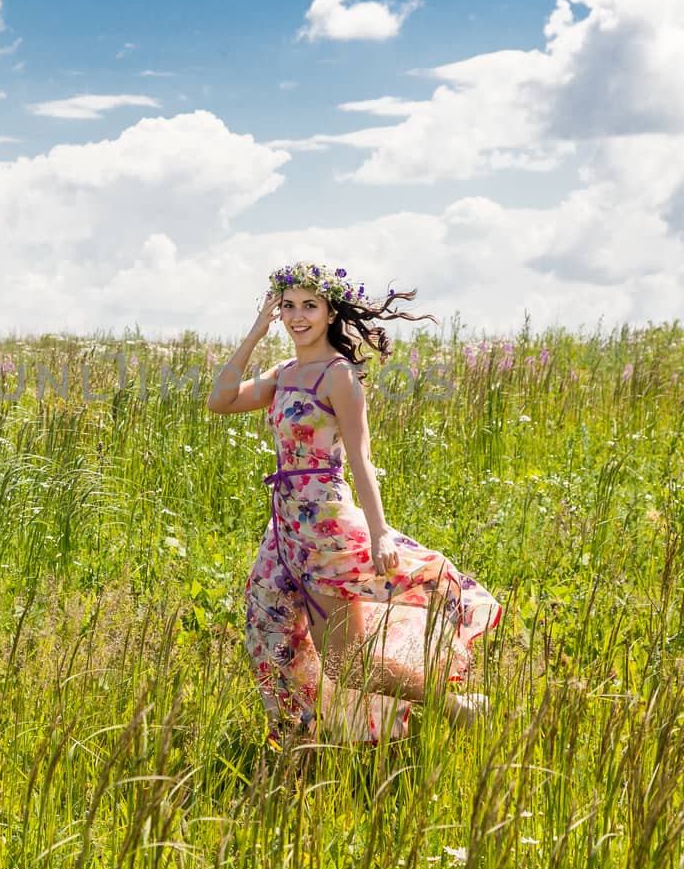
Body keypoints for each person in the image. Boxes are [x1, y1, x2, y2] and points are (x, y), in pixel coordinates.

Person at [206, 260, 504, 745]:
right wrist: (255, 333)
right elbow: (220, 400)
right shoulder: (284, 373)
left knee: (347, 663)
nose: (297, 316)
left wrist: (381, 530)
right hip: (283, 529)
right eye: (288, 306)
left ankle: (457, 708)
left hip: (325, 527)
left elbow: (361, 458)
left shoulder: (338, 375)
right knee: (267, 630)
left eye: (310, 305)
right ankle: (303, 740)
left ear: (329, 312)